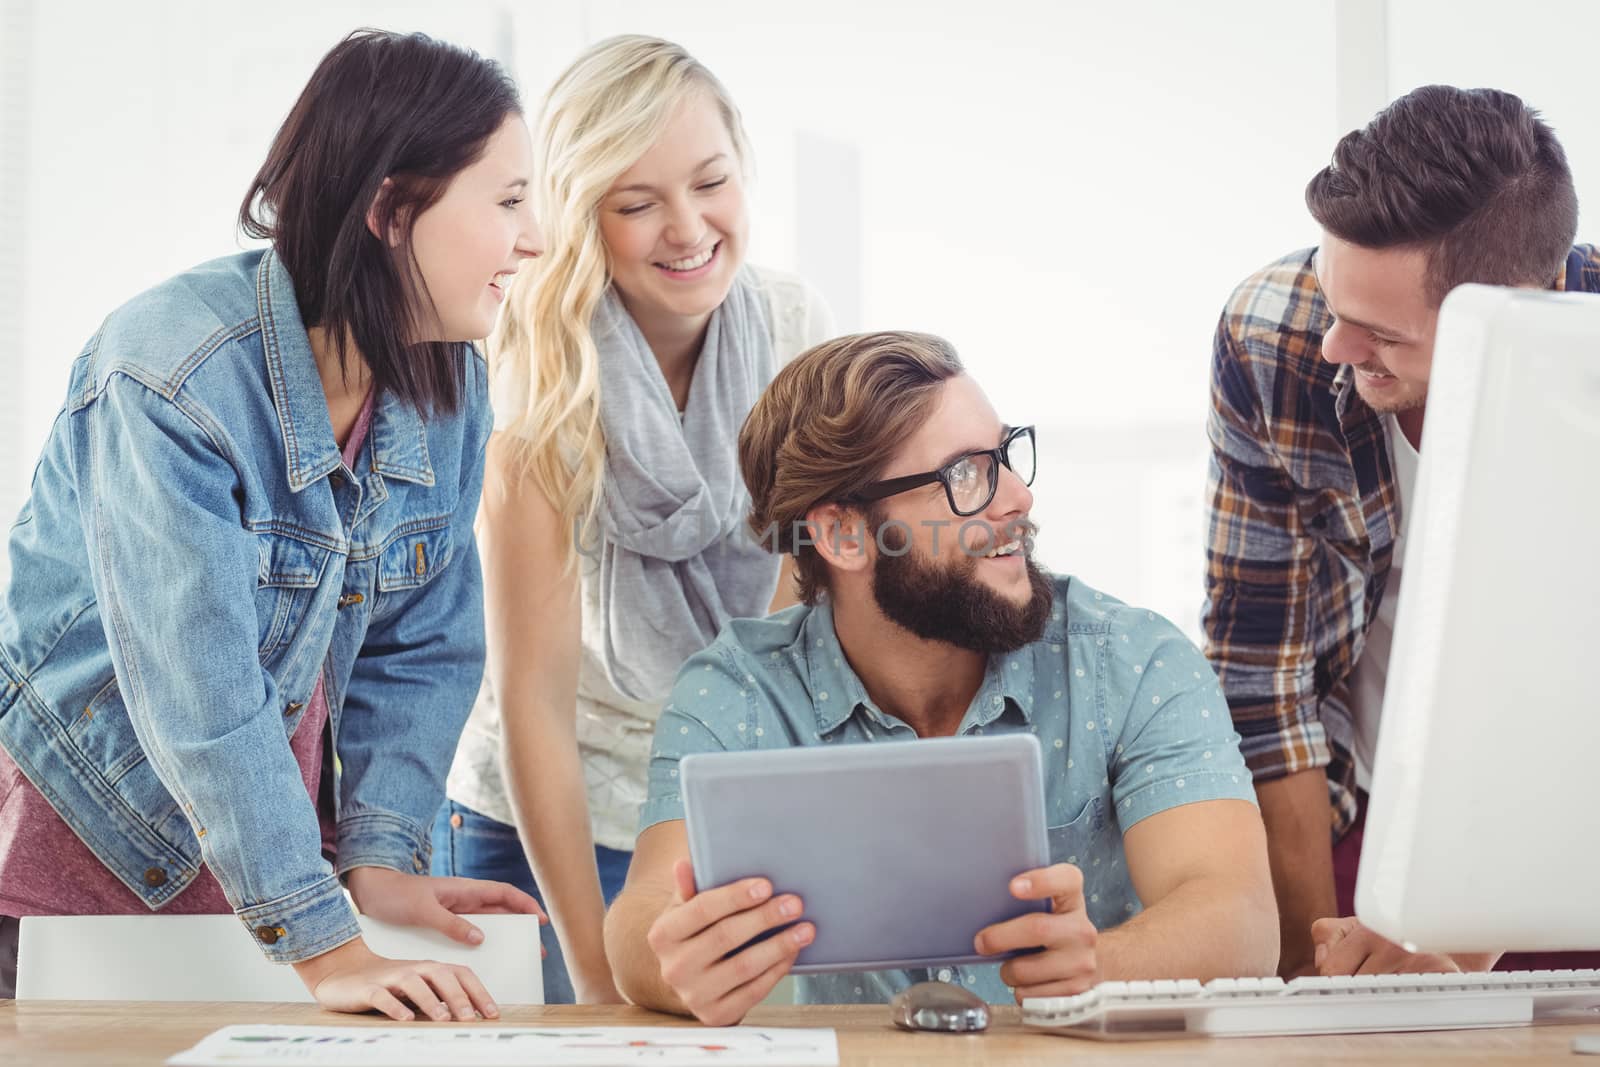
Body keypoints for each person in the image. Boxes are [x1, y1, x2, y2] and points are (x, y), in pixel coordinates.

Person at [0, 30, 547, 1018]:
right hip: (87, 856)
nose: (535, 237)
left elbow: (418, 647)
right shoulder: (172, 370)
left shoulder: (448, 377)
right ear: (391, 207)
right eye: (508, 199)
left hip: (278, 883)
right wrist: (330, 941)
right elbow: (200, 691)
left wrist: (377, 857)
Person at [603, 330, 1279, 1024]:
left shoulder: (1134, 661)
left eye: (1005, 456)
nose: (1017, 496)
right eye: (965, 475)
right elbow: (641, 919)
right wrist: (674, 965)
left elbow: (1241, 915)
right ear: (842, 536)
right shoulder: (737, 690)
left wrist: (1099, 965)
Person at [435, 35, 833, 1005]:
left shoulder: (790, 329)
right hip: (546, 822)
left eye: (710, 182)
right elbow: (533, 699)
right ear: (579, 216)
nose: (688, 227)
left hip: (721, 794)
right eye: (637, 202)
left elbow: (786, 621)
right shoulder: (536, 389)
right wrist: (593, 966)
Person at [1202, 84, 1600, 977]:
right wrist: (1313, 978)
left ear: (1509, 309)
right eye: (1331, 294)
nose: (1335, 345)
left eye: (1380, 332)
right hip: (1367, 806)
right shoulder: (1275, 335)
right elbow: (1264, 673)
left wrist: (1464, 935)